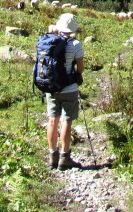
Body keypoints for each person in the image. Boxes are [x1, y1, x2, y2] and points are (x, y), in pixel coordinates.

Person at [46, 12, 84, 170]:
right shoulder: (76, 44)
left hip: (51, 87)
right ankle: (64, 156)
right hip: (69, 88)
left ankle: (52, 155)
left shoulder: (50, 41)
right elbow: (80, 69)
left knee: (52, 120)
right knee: (66, 120)